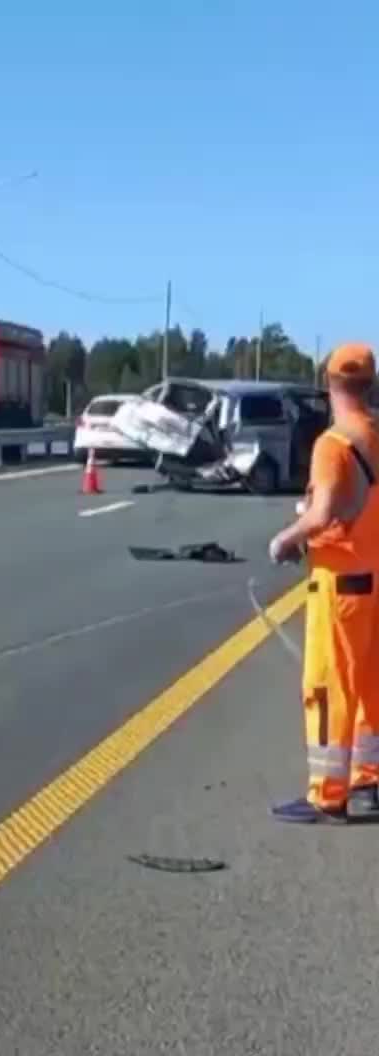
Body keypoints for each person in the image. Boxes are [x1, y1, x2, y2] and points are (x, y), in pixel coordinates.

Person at [268, 342, 379, 823]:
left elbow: (325, 510)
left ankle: (327, 793)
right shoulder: (377, 436)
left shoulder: (333, 444)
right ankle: (369, 777)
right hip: (376, 576)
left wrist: (286, 538)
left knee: (329, 685)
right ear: (370, 384)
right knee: (371, 684)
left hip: (340, 583)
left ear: (330, 385)